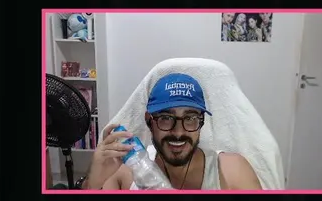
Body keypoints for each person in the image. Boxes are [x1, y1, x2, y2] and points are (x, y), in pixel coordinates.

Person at [83, 72, 263, 190]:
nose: (178, 132)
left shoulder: (232, 171)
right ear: (149, 121)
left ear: (201, 121)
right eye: (166, 118)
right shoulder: (124, 174)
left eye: (190, 118)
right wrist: (93, 183)